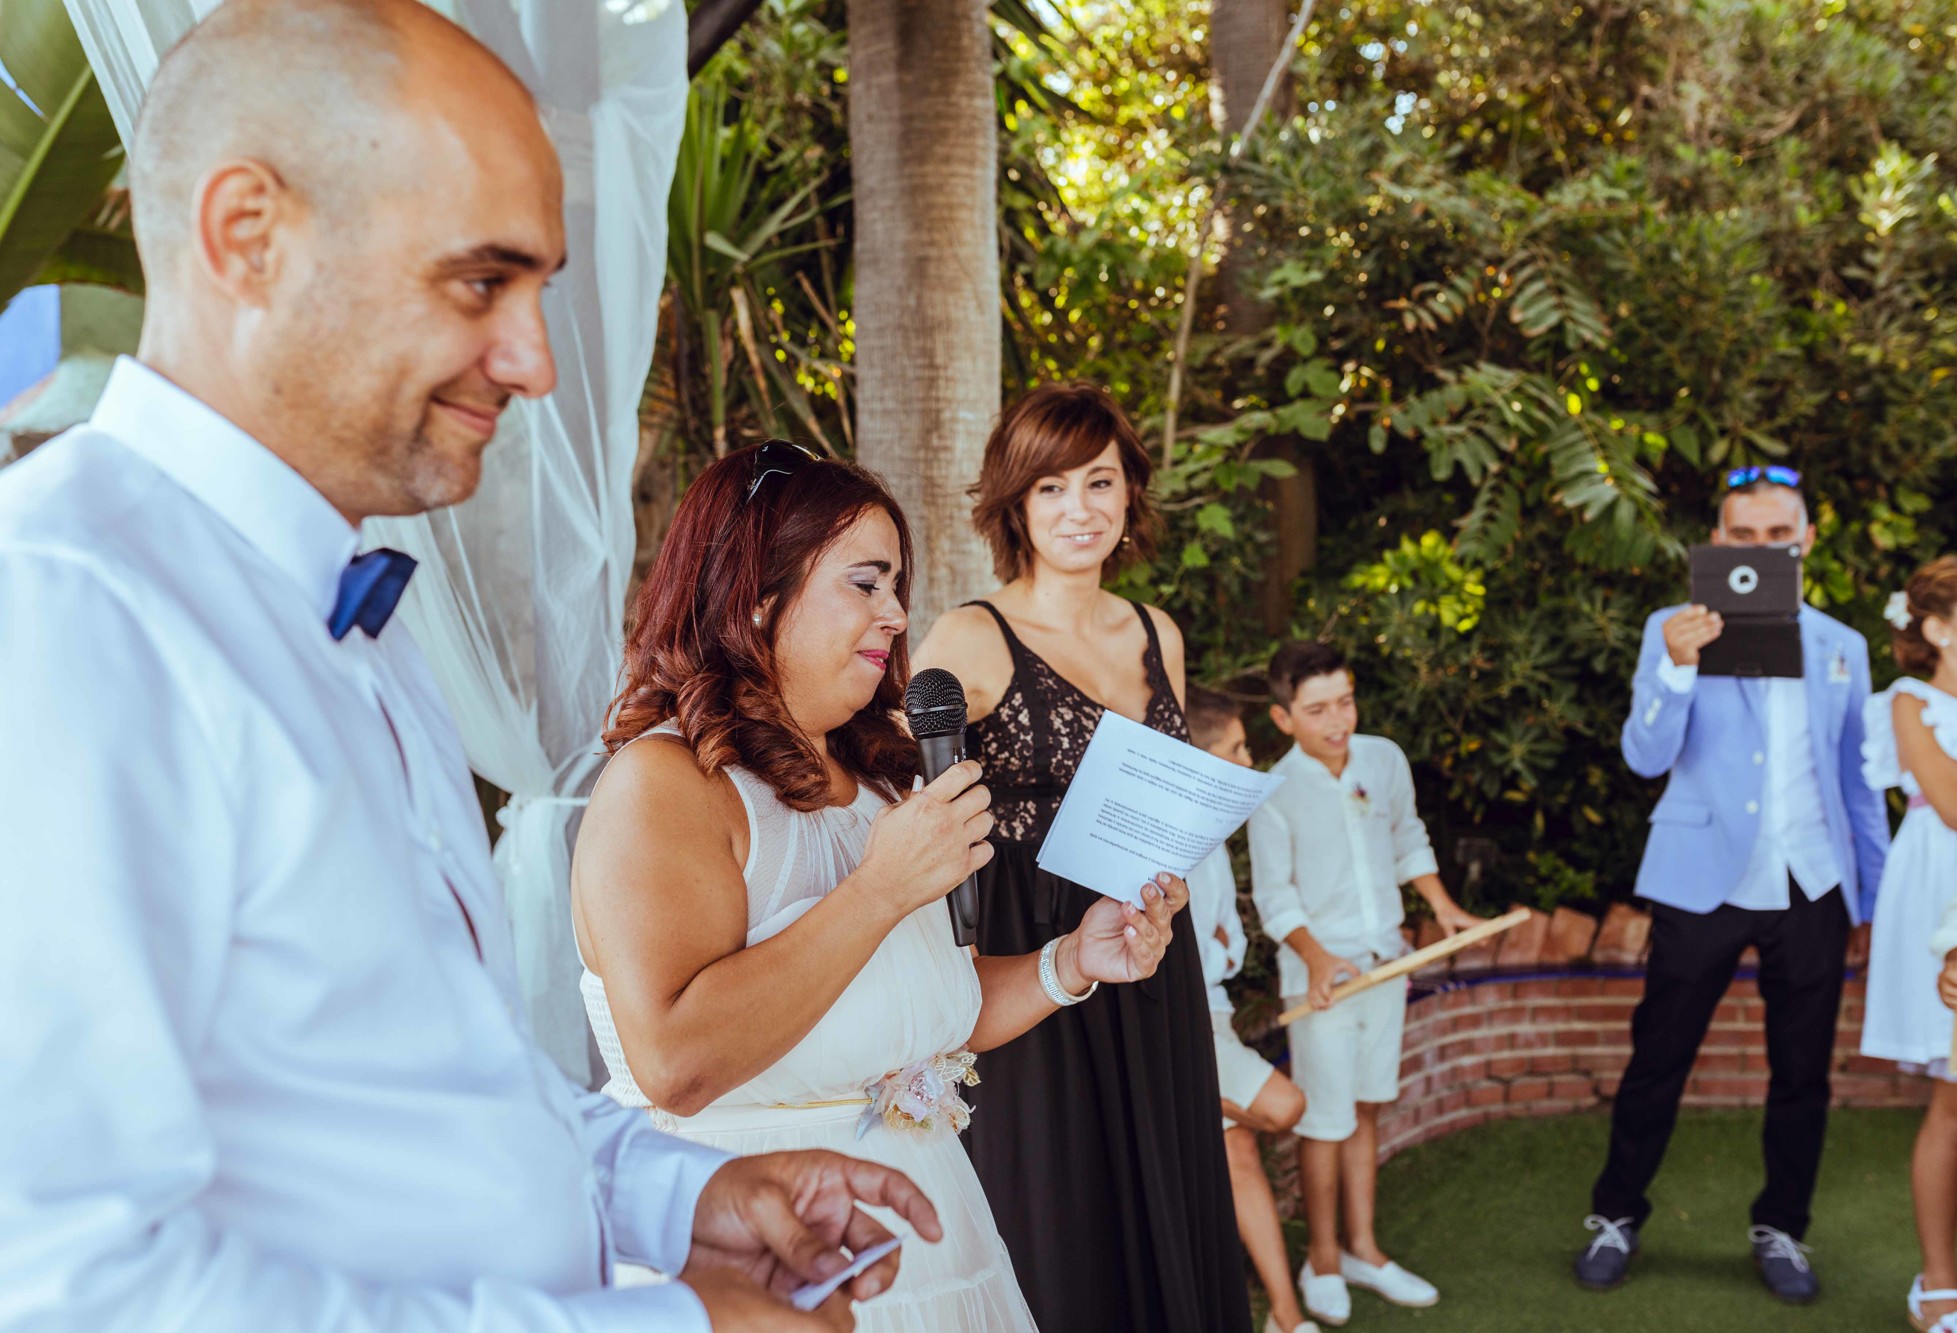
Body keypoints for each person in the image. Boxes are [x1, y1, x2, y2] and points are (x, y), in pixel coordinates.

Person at [0, 4, 942, 1330]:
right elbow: (73, 1286)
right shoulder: (64, 619)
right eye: (479, 282)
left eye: (539, 289)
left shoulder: (361, 621)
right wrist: (672, 1323)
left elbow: (439, 1083)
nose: (534, 363)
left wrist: (680, 1194)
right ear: (248, 237)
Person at [571, 442, 1186, 1331]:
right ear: (755, 594)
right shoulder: (663, 784)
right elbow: (677, 1063)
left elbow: (923, 1014)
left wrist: (1069, 962)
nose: (896, 614)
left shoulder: (883, 779)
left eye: (897, 585)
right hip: (763, 1251)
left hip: (937, 1238)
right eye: (865, 583)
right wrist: (879, 889)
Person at [912, 382, 1248, 1333]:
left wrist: (1173, 883)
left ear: (1130, 492)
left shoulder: (1157, 632)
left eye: (1099, 481)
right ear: (1015, 503)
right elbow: (903, 814)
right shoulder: (968, 636)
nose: (1079, 508)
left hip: (1151, 952)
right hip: (1029, 961)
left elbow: (1166, 801)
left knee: (1166, 1189)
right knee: (1058, 1216)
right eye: (1051, 487)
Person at [1574, 467, 1891, 1304]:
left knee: (1803, 1071)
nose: (1762, 548)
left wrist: (1877, 894)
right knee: (1658, 1058)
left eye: (1778, 533)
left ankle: (1781, 1226)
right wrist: (1678, 669)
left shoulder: (1842, 645)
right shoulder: (1671, 629)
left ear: (1806, 539)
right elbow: (1644, 756)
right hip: (1699, 879)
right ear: (1718, 541)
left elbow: (1860, 781)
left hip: (1812, 883)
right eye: (1743, 535)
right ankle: (1616, 1214)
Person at [1249, 642, 1478, 1325]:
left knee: (1369, 1107)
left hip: (1386, 966)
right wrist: (1318, 960)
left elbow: (1409, 838)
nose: (1338, 720)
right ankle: (1321, 1258)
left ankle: (1363, 1250)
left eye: (1345, 702)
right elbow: (1276, 899)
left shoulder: (1384, 758)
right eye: (1318, 709)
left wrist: (1441, 906)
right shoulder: (1272, 793)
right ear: (1284, 717)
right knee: (1325, 1122)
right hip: (1322, 984)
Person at [1859, 557, 1957, 1333]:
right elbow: (1950, 802)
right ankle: (1937, 1286)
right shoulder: (1911, 700)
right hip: (1950, 900)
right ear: (1940, 629)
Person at [1182, 687, 1318, 1333]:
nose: (1248, 761)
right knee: (1284, 1106)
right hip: (1186, 1025)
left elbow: (1229, 951)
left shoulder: (1211, 838)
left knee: (1240, 1159)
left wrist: (1213, 948)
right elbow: (1191, 958)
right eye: (1237, 749)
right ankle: (1180, 1098)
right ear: (1200, 755)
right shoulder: (1166, 839)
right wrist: (1211, 949)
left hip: (1216, 1013)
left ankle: (1286, 1316)